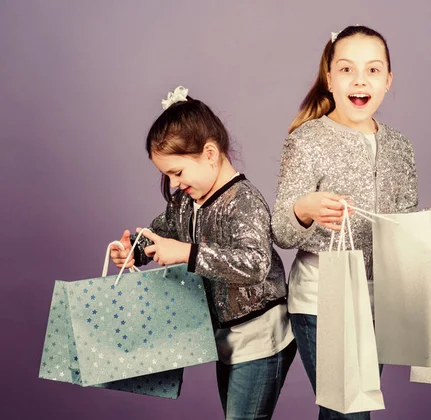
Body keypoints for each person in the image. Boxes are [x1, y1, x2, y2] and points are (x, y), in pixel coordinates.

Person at [272, 26, 431, 419]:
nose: (360, 80)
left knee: (347, 413)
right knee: (350, 413)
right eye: (347, 69)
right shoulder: (308, 139)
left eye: (372, 69)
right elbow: (281, 230)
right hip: (322, 298)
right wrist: (306, 208)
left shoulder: (400, 147)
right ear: (330, 79)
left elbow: (401, 228)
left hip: (378, 300)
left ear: (387, 81)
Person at [111, 86, 296, 420]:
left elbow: (255, 263)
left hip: (260, 337)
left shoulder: (244, 201)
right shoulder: (185, 202)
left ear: (210, 154)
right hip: (225, 338)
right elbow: (160, 232)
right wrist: (134, 251)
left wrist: (187, 253)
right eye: (167, 175)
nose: (174, 182)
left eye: (177, 172)